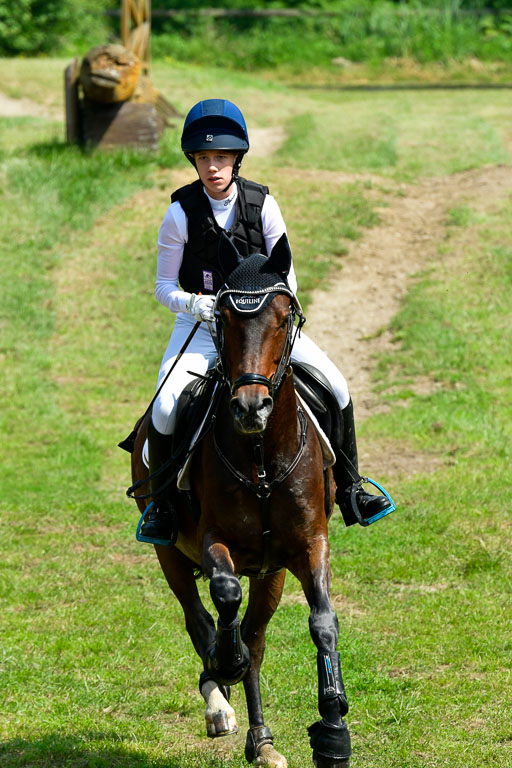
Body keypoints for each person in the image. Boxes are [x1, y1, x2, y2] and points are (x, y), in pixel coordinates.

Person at [140, 98, 390, 542]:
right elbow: (162, 287)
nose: (212, 168)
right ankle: (162, 505)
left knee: (337, 384)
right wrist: (195, 304)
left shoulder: (263, 204)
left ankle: (351, 487)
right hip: (201, 328)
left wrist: (271, 308)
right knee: (164, 406)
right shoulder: (179, 213)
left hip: (262, 328)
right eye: (203, 159)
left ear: (237, 159)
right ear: (193, 161)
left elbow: (287, 276)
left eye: (221, 158)